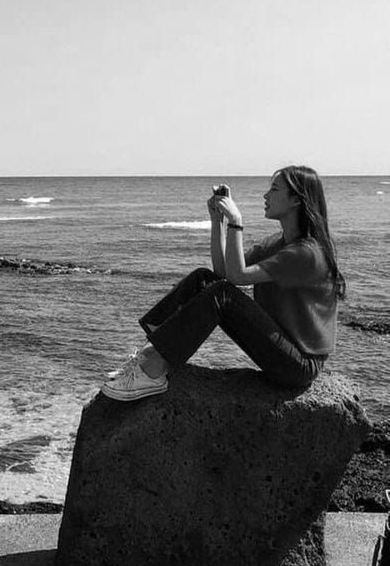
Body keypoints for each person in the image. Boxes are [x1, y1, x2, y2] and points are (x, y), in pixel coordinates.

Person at [102, 165, 344, 401]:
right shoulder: (278, 243)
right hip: (282, 348)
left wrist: (236, 220)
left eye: (274, 189)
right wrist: (218, 221)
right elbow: (223, 272)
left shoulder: (307, 253)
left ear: (296, 200)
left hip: (299, 365)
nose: (265, 195)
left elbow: (237, 277)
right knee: (204, 278)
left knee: (222, 294)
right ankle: (148, 356)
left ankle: (152, 372)